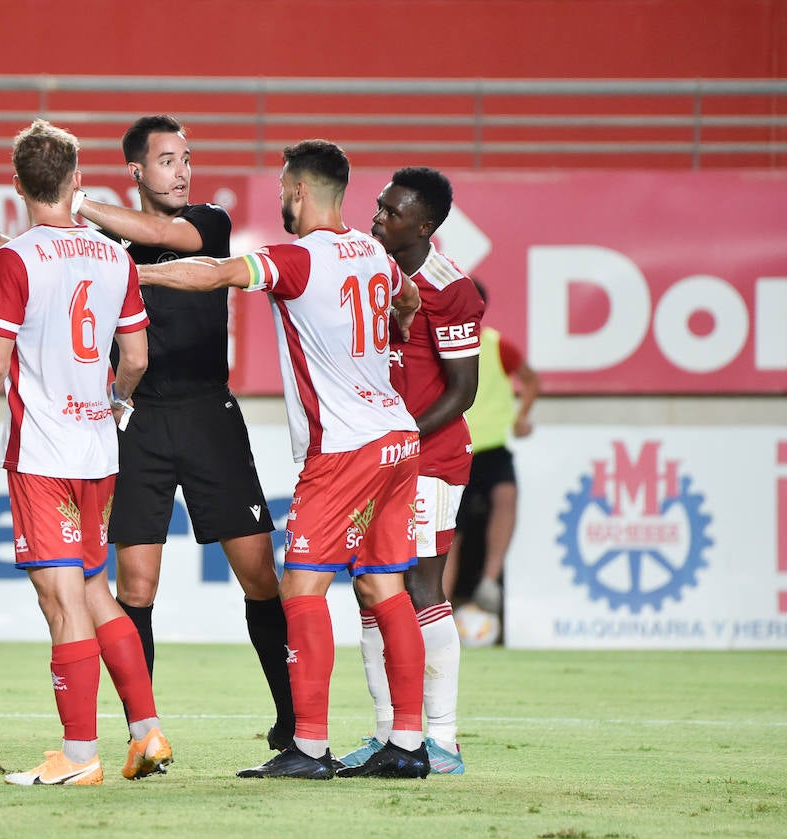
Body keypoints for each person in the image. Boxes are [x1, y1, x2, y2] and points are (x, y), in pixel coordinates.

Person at [0, 114, 293, 750]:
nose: (183, 169)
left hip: (208, 414)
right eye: (168, 160)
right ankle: (143, 729)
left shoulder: (207, 222)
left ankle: (293, 724)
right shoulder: (107, 251)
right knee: (133, 587)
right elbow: (32, 275)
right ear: (136, 169)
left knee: (258, 577)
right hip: (135, 423)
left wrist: (72, 200)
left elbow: (157, 234)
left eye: (187, 157)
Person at [138, 139, 429, 779]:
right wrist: (397, 327)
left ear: (299, 193)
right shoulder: (375, 254)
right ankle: (409, 745)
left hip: (345, 447)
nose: (281, 204)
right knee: (385, 588)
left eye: (282, 194)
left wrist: (138, 275)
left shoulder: (297, 259)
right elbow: (407, 302)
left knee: (301, 588)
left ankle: (312, 748)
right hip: (398, 438)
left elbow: (212, 273)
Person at [0, 119, 173, 787]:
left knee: (61, 600)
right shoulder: (114, 256)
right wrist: (118, 400)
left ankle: (77, 759)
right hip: (98, 450)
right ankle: (146, 734)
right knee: (95, 591)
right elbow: (134, 357)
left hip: (43, 455)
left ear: (17, 184)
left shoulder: (19, 259)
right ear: (78, 180)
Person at [339, 167, 485, 776]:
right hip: (377, 457)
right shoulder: (371, 270)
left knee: (422, 589)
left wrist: (399, 440)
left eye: (391, 211)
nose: (377, 217)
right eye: (378, 205)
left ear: (424, 226)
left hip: (427, 461)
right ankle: (389, 735)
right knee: (371, 593)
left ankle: (443, 739)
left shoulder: (451, 289)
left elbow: (462, 391)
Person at [443, 278, 542, 624]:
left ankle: (489, 581)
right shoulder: (439, 344)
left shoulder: (496, 345)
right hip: (454, 448)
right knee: (450, 532)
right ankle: (439, 609)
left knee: (506, 498)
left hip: (492, 445)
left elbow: (531, 379)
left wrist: (521, 417)